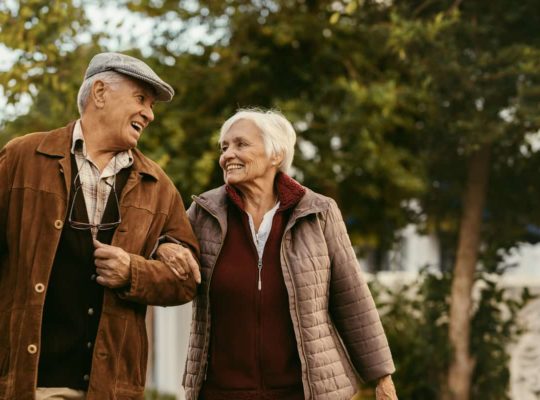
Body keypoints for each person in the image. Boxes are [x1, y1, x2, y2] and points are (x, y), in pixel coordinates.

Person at [0, 52, 201, 400]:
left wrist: (133, 273)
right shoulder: (22, 157)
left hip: (110, 390)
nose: (150, 114)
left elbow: (187, 281)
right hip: (27, 384)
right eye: (141, 99)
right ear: (100, 93)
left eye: (152, 105)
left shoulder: (159, 186)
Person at [158, 109, 398, 399]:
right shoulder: (205, 211)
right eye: (224, 147)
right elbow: (168, 246)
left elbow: (352, 298)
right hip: (222, 391)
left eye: (240, 144)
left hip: (304, 391)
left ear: (276, 155)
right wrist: (163, 246)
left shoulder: (318, 212)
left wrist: (381, 378)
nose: (227, 155)